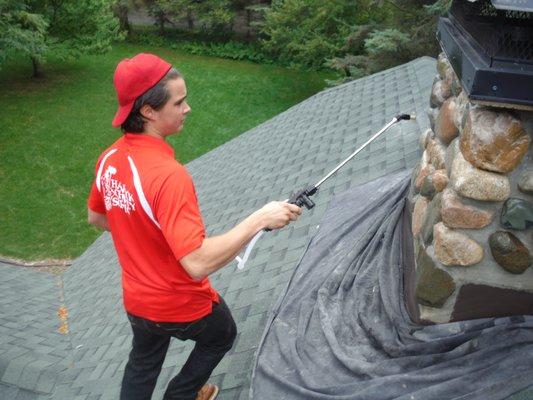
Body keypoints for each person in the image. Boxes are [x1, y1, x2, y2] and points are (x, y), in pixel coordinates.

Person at [86, 53, 301, 400]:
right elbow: (197, 262)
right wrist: (262, 217)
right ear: (148, 112)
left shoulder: (110, 159)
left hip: (137, 300)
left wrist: (142, 234)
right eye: (179, 101)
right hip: (180, 303)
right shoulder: (169, 177)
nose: (187, 108)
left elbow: (97, 218)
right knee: (222, 335)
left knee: (142, 364)